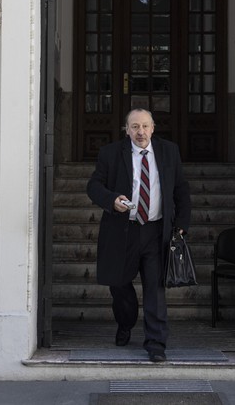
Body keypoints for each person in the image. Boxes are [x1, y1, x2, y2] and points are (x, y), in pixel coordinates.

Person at [86, 108, 191, 362]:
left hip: (156, 231)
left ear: (153, 128)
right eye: (134, 127)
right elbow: (93, 186)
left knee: (155, 289)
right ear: (127, 130)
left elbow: (180, 188)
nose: (140, 132)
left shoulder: (169, 151)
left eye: (145, 126)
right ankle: (125, 322)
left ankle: (156, 344)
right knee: (120, 286)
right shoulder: (110, 153)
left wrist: (181, 223)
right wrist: (112, 200)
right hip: (123, 231)